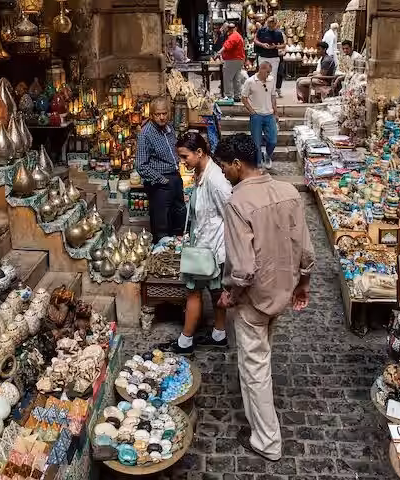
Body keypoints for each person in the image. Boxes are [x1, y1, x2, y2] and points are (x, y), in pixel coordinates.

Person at [214, 133, 315, 462]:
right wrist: (303, 284)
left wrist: (231, 294)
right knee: (262, 355)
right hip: (283, 292)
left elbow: (242, 268)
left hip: (254, 300)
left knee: (254, 367)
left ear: (238, 165)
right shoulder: (288, 191)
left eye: (224, 167)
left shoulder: (237, 202)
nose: (224, 173)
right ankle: (264, 429)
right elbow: (306, 249)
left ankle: (267, 441)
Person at [159, 132, 232, 355]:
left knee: (194, 291)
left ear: (199, 153)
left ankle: (185, 341)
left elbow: (231, 213)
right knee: (216, 290)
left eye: (184, 156)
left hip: (210, 248)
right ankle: (219, 334)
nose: (182, 161)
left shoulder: (215, 179)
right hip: (205, 245)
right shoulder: (202, 172)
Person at [136, 97, 187, 241]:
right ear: (151, 115)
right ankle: (160, 255)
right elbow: (140, 165)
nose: (162, 117)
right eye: (158, 114)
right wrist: (162, 180)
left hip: (175, 177)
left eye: (164, 113)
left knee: (179, 217)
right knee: (161, 224)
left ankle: (175, 252)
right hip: (160, 183)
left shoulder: (170, 128)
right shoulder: (146, 134)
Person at [241, 61, 278, 167]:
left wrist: (276, 112)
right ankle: (258, 162)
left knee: (273, 140)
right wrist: (251, 111)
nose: (268, 75)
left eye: (269, 72)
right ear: (261, 69)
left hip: (269, 114)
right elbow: (244, 97)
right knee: (256, 142)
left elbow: (273, 96)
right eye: (267, 72)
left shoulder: (271, 80)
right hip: (257, 115)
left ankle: (267, 155)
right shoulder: (250, 81)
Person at [252, 16, 285, 97]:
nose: (271, 27)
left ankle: (271, 92)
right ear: (267, 23)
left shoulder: (278, 33)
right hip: (263, 56)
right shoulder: (261, 30)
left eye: (273, 25)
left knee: (273, 76)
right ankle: (261, 91)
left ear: (275, 24)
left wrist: (276, 47)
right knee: (262, 74)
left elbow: (283, 45)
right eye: (269, 25)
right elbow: (255, 40)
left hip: (274, 57)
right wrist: (262, 44)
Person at [215, 22, 245, 103]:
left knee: (228, 78)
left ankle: (228, 96)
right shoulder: (237, 35)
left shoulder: (234, 36)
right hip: (238, 59)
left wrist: (219, 53)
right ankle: (237, 96)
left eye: (226, 29)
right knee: (236, 78)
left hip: (233, 60)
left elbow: (227, 46)